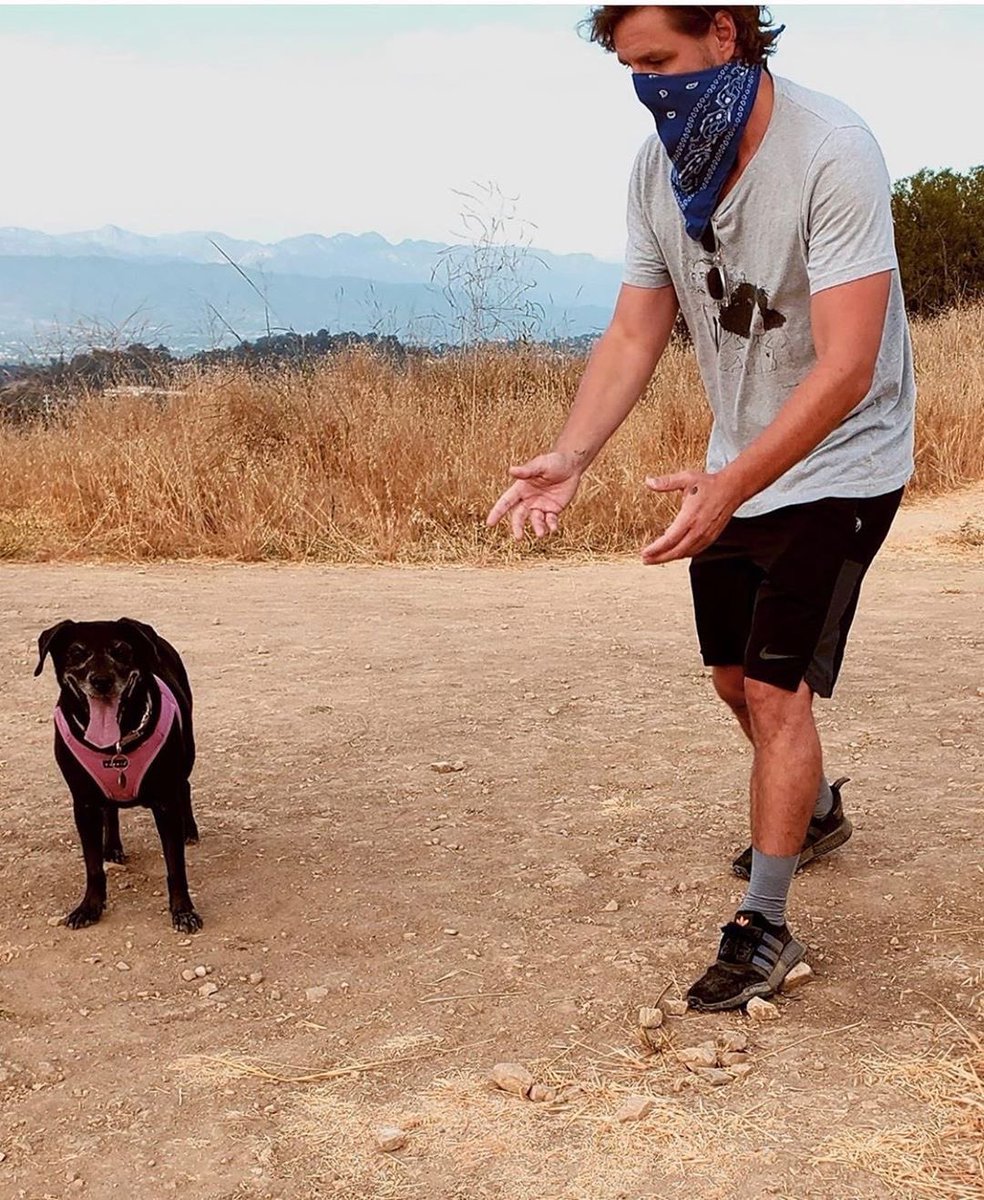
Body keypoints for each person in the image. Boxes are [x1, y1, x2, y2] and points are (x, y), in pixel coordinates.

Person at [486, 5, 914, 1012]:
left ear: (726, 33)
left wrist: (738, 482)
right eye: (631, 67)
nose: (648, 85)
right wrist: (572, 454)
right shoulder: (660, 168)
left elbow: (849, 365)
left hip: (844, 459)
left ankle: (765, 927)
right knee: (733, 681)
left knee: (776, 695)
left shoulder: (834, 149)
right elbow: (637, 332)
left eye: (661, 60)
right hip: (741, 460)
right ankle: (805, 814)